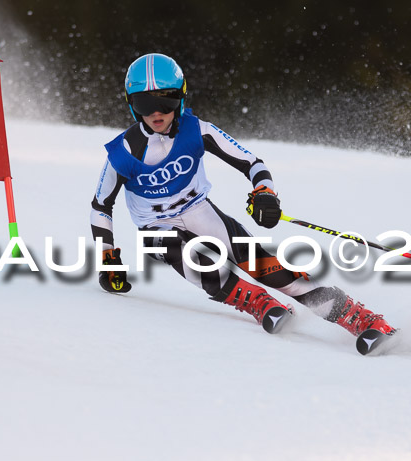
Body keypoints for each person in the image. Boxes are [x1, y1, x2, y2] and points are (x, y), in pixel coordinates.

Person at [90, 53, 394, 343]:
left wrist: (265, 194)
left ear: (180, 97)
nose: (156, 112)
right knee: (184, 255)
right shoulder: (124, 151)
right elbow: (101, 205)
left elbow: (252, 163)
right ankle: (258, 303)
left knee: (270, 269)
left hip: (198, 210)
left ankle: (361, 318)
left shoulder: (198, 131)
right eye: (145, 103)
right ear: (132, 105)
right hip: (153, 226)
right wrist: (107, 258)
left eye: (165, 100)